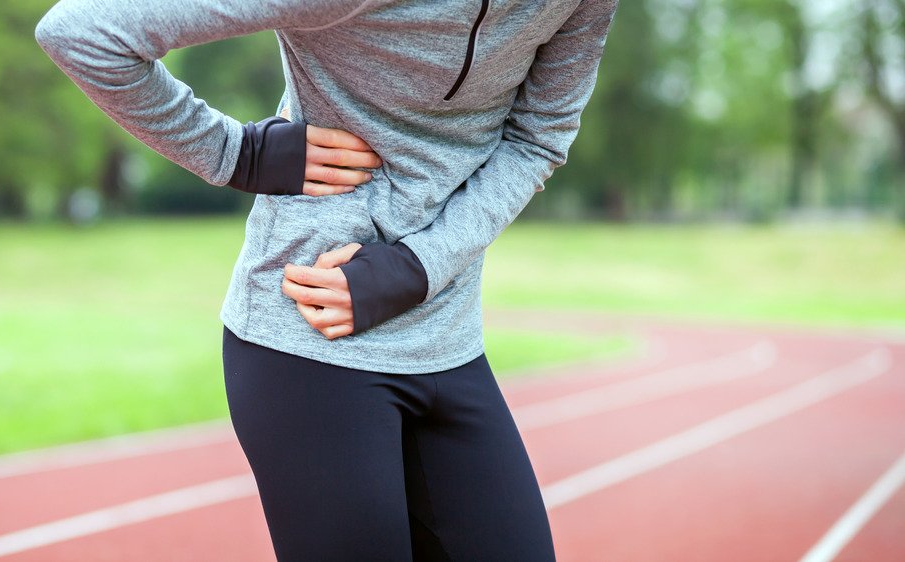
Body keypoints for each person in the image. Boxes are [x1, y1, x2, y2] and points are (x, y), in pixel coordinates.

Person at [35, 0, 619, 560]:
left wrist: (417, 267)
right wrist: (235, 153)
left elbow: (536, 138)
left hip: (449, 338)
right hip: (310, 340)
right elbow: (83, 32)